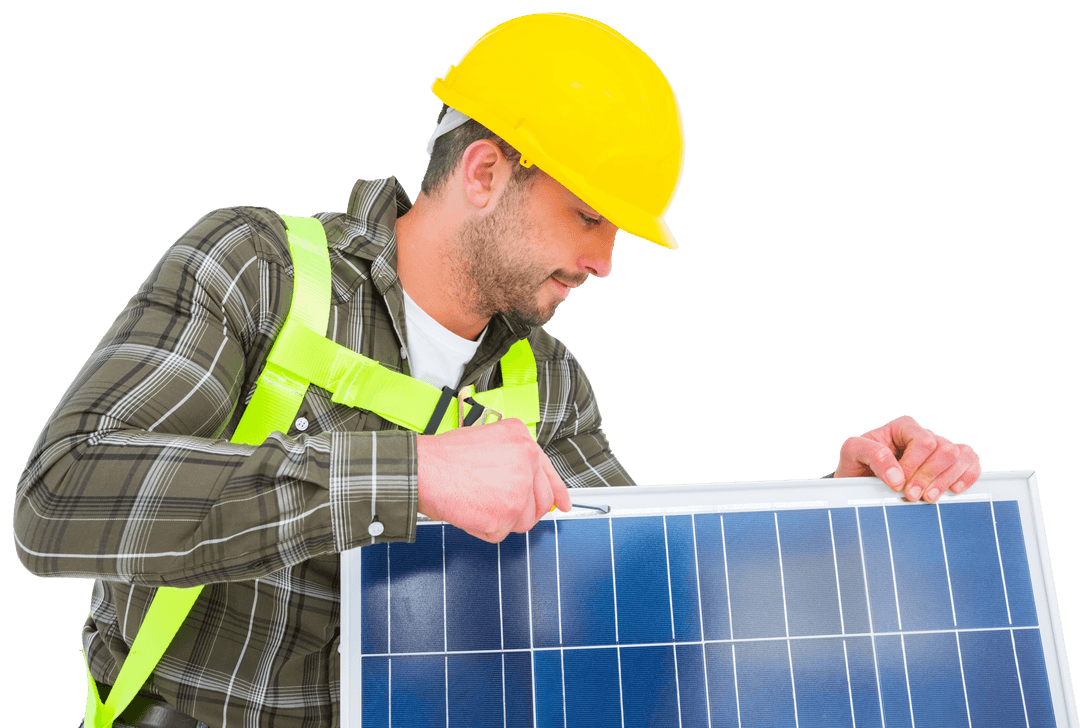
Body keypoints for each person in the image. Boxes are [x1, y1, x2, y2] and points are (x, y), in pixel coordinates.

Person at [13, 13, 980, 728]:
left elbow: (647, 610)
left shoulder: (549, 386)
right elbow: (59, 499)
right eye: (590, 217)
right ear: (484, 174)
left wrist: (836, 511)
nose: (605, 263)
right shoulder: (257, 271)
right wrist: (413, 477)